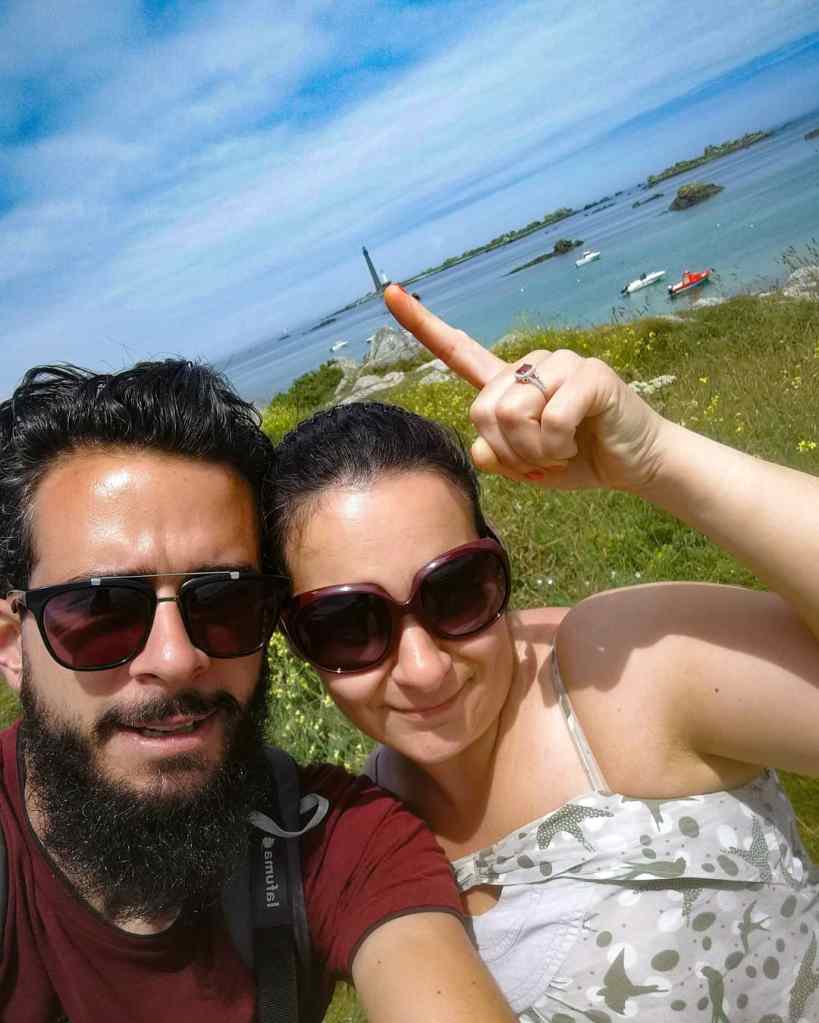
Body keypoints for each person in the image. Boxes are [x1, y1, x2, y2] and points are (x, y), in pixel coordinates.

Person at [269, 285, 819, 1022]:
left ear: (496, 563)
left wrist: (658, 458)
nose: (423, 668)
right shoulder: (367, 834)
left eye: (454, 591)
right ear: (294, 639)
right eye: (347, 625)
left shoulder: (614, 672)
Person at [0, 360, 515, 1023]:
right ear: (12, 645)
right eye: (102, 612)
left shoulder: (336, 841)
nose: (177, 658)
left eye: (224, 603)